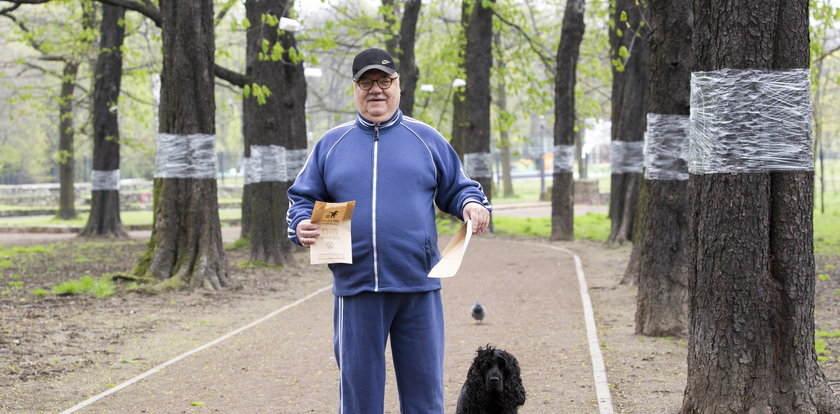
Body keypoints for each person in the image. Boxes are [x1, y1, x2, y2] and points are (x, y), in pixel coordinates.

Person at [286, 47, 491, 413]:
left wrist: (472, 204)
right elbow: (302, 198)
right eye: (366, 81)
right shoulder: (331, 144)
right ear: (355, 88)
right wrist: (301, 224)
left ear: (399, 86)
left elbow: (459, 187)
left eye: (384, 80)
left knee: (425, 397)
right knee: (359, 397)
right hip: (356, 287)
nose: (375, 89)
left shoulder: (426, 139)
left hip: (418, 285)